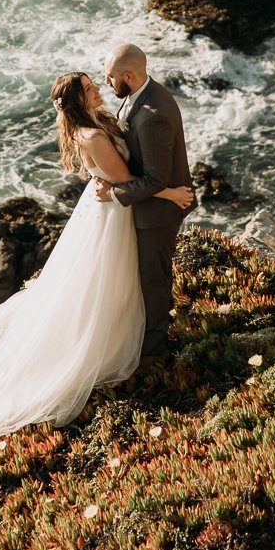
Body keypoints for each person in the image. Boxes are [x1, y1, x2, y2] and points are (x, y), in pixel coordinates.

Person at [0, 70, 194, 468]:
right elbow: (125, 182)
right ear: (79, 101)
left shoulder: (93, 124)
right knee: (104, 284)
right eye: (90, 88)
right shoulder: (94, 136)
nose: (98, 88)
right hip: (110, 219)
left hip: (101, 213)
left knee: (100, 285)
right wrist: (170, 192)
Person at [95, 43, 192, 372]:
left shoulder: (153, 117)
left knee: (153, 280)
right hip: (148, 208)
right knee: (144, 277)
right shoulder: (141, 97)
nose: (106, 82)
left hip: (157, 216)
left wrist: (113, 193)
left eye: (110, 77)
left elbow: (154, 179)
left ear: (129, 75)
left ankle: (154, 353)